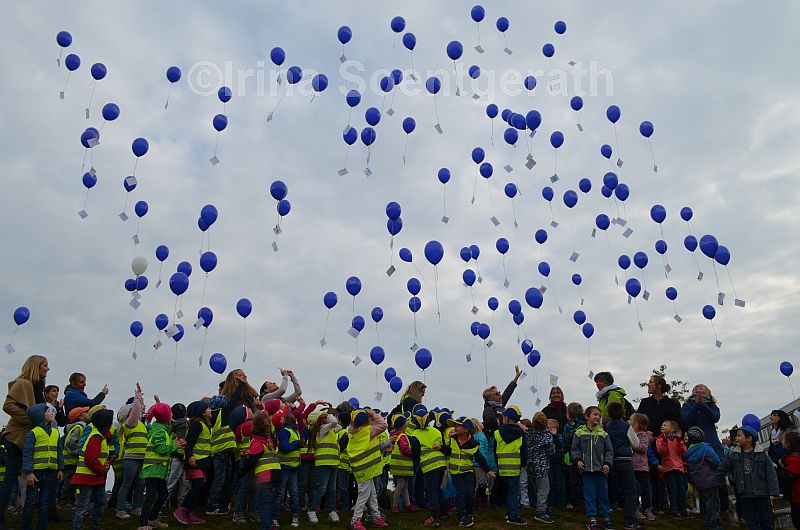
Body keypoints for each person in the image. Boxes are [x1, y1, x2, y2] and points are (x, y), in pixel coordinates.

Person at [0, 354, 49, 529]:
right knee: (11, 478)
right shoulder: (24, 383)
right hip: (16, 438)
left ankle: (25, 518)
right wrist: (29, 420)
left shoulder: (37, 388)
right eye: (45, 366)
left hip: (27, 439)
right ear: (36, 366)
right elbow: (8, 405)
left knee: (25, 478)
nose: (47, 369)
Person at [716, 424, 779, 529]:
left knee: (766, 521)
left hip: (762, 494)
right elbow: (722, 469)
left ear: (749, 438)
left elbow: (771, 473)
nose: (736, 438)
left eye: (739, 435)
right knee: (751, 522)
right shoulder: (734, 455)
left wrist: (774, 491)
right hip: (745, 495)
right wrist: (718, 481)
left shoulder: (762, 454)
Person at [636, 374, 681, 515]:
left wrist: (674, 436)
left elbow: (678, 422)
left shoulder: (672, 403)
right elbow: (639, 420)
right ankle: (655, 505)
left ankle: (674, 505)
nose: (648, 385)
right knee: (652, 473)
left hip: (669, 445)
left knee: (671, 474)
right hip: (649, 443)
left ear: (659, 385)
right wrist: (645, 431)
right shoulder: (645, 403)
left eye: (651, 382)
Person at [140, 402, 183, 530]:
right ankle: (143, 523)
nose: (172, 414)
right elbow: (161, 449)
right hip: (153, 470)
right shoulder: (159, 431)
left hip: (159, 470)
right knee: (150, 497)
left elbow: (167, 449)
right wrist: (175, 445)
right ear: (165, 416)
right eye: (170, 413)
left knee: (163, 495)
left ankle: (152, 519)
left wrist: (176, 445)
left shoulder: (163, 430)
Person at [570, 405, 614, 530]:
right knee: (589, 494)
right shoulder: (579, 433)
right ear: (586, 416)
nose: (598, 417)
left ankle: (606, 517)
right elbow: (575, 450)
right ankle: (592, 518)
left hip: (601, 470)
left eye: (599, 415)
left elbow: (609, 452)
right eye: (595, 414)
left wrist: (607, 464)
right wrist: (577, 460)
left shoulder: (603, 434)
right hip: (586, 470)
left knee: (603, 494)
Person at [21, 403, 63, 530]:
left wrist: (60, 468)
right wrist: (29, 472)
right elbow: (27, 453)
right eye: (47, 411)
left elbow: (59, 452)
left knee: (45, 503)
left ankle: (42, 527)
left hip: (51, 472)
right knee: (30, 502)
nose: (50, 413)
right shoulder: (33, 433)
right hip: (36, 473)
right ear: (40, 415)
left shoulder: (56, 433)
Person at [70, 408, 114, 530]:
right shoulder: (96, 437)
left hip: (94, 476)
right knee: (83, 506)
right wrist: (101, 469)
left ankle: (95, 526)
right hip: (88, 477)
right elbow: (90, 459)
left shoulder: (100, 435)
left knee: (100, 501)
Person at [447, 416, 494, 527]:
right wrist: (440, 448)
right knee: (461, 493)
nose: (455, 427)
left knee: (470, 493)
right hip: (455, 473)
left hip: (468, 472)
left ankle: (469, 513)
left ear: (466, 429)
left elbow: (479, 458)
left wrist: (488, 470)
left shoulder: (473, 443)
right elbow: (448, 450)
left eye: (458, 425)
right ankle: (461, 516)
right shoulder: (453, 440)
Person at [347, 408, 389, 530]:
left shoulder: (351, 432)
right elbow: (383, 425)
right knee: (364, 495)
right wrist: (373, 414)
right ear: (367, 421)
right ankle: (355, 520)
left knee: (372, 494)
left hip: (361, 469)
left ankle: (376, 517)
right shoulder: (369, 431)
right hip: (367, 469)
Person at [237, 411, 277, 530]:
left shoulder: (256, 441)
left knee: (263, 502)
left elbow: (252, 461)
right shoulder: (270, 440)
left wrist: (240, 473)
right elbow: (263, 453)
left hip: (265, 475)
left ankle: (266, 526)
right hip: (275, 472)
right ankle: (271, 524)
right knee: (269, 501)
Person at [175, 400, 213, 525]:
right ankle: (182, 510)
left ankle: (189, 512)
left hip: (202, 461)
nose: (210, 410)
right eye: (208, 408)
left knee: (199, 485)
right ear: (202, 412)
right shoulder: (198, 425)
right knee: (197, 485)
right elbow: (190, 442)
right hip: (194, 461)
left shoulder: (205, 425)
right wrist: (190, 456)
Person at [410, 404, 448, 528]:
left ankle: (435, 517)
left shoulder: (415, 435)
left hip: (429, 466)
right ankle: (443, 512)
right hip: (441, 464)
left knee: (431, 491)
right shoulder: (435, 430)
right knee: (437, 489)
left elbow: (415, 454)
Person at [605, 402, 639, 530]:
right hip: (625, 460)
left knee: (618, 488)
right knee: (632, 490)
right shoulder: (626, 426)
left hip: (612, 461)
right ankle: (629, 521)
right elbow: (636, 444)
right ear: (623, 412)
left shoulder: (607, 426)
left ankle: (618, 511)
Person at [116, 385, 146, 519]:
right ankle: (120, 509)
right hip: (131, 458)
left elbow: (139, 412)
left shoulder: (140, 423)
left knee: (140, 484)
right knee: (127, 484)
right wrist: (138, 396)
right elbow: (136, 411)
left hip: (141, 458)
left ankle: (136, 507)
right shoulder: (130, 422)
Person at [494, 405, 527, 525]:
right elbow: (524, 452)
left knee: (507, 491)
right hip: (515, 468)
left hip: (502, 467)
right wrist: (523, 465)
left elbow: (494, 450)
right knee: (513, 492)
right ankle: (512, 516)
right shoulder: (521, 434)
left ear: (507, 418)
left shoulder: (497, 433)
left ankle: (508, 513)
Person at [684, 427, 722, 530]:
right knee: (713, 504)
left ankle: (706, 519)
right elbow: (716, 462)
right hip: (710, 481)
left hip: (699, 482)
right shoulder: (706, 448)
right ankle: (713, 525)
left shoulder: (688, 453)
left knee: (704, 502)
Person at [307, 410, 341, 523]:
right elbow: (335, 422)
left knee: (332, 490)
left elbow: (339, 427)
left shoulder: (328, 430)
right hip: (324, 464)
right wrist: (328, 415)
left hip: (332, 463)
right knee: (320, 489)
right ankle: (311, 510)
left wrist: (327, 417)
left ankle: (332, 511)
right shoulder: (322, 430)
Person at [526, 412, 556, 524]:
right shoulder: (546, 435)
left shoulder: (528, 433)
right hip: (541, 466)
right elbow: (551, 451)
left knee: (537, 489)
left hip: (530, 466)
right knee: (544, 490)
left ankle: (542, 507)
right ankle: (541, 512)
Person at [655, 420, 688, 520]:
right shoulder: (660, 439)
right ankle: (674, 510)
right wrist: (665, 440)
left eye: (665, 425)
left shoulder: (677, 439)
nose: (662, 426)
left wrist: (678, 440)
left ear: (672, 429)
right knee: (672, 489)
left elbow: (683, 452)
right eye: (662, 424)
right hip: (669, 468)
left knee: (682, 489)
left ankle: (682, 510)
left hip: (679, 467)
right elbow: (662, 451)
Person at [276, 412, 303, 527]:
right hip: (285, 467)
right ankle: (274, 517)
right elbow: (284, 448)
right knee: (280, 493)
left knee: (294, 493)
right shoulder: (285, 431)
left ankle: (295, 516)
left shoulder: (294, 431)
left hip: (293, 467)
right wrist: (297, 444)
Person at [61, 406, 89, 508]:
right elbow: (70, 443)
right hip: (70, 460)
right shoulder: (78, 428)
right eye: (86, 412)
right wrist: (78, 452)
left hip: (70, 460)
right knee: (68, 482)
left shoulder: (77, 427)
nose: (88, 413)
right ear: (80, 416)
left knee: (70, 482)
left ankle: (69, 502)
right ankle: (64, 502)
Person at [389, 413, 417, 513]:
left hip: (399, 466)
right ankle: (394, 506)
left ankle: (408, 504)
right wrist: (413, 453)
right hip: (401, 466)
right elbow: (405, 450)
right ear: (402, 425)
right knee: (401, 485)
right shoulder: (402, 436)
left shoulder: (394, 435)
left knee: (404, 486)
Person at [481, 366, 522, 434]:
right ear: (490, 398)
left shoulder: (500, 405)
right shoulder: (488, 409)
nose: (500, 395)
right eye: (497, 394)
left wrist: (516, 377)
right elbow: (489, 421)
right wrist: (500, 428)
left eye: (499, 392)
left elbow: (508, 392)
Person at [629, 413, 653, 521]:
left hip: (641, 467)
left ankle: (647, 508)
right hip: (631, 466)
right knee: (634, 488)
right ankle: (636, 508)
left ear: (637, 423)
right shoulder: (628, 433)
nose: (628, 421)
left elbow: (642, 448)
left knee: (645, 488)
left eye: (630, 419)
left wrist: (633, 442)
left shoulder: (643, 435)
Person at [768, 409, 796, 501]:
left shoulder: (790, 431)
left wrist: (784, 459)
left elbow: (794, 448)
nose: (771, 417)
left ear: (781, 417)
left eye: (774, 415)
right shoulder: (772, 434)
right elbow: (770, 451)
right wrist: (778, 460)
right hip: (779, 466)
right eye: (771, 415)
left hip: (791, 464)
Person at [562, 402, 586, 511]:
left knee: (575, 481)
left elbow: (566, 442)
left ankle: (578, 504)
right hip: (588, 455)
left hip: (574, 456)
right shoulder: (586, 423)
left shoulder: (568, 426)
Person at [781, 430, 800, 529]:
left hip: (797, 496)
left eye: (783, 440)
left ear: (788, 443)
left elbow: (790, 475)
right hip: (795, 496)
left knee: (797, 520)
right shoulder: (792, 456)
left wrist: (780, 472)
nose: (782, 442)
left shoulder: (794, 458)